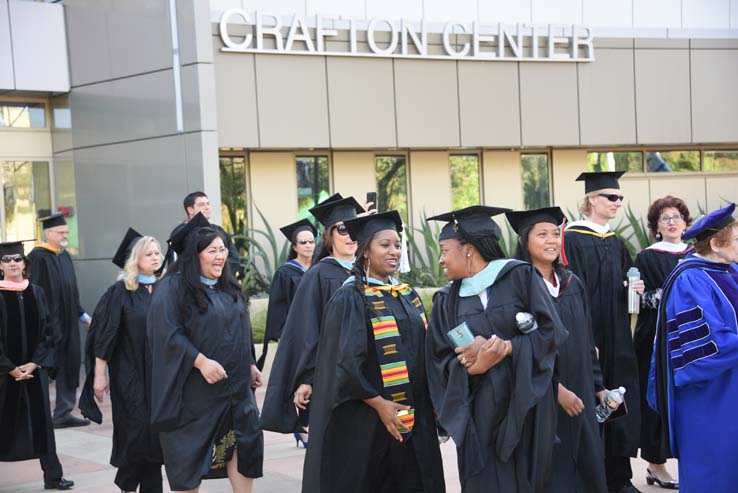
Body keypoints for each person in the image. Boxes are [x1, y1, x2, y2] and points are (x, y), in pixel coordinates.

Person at [425, 206, 567, 492]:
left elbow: (552, 332)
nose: (441, 259)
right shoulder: (446, 301)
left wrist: (507, 348)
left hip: (526, 402)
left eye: (444, 250)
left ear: (468, 249)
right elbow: (437, 359)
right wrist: (473, 366)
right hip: (479, 413)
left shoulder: (519, 276)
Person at [303, 210, 445, 492]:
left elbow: (426, 349)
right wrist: (380, 404)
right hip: (368, 419)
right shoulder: (351, 296)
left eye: (397, 245)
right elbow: (344, 362)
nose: (393, 251)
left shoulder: (407, 294)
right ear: (365, 249)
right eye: (384, 245)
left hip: (416, 417)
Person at [507, 207, 607, 493]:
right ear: (525, 241)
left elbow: (588, 340)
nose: (552, 240)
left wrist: (598, 386)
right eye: (542, 235)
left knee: (588, 465)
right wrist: (556, 389)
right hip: (543, 396)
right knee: (554, 473)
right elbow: (520, 350)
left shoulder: (573, 283)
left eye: (555, 234)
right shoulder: (516, 287)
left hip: (583, 389)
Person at [648, 202, 738, 493]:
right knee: (714, 470)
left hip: (731, 388)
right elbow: (706, 346)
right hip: (710, 397)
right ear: (715, 243)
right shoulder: (690, 278)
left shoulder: (730, 271)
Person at [260, 194, 364, 443]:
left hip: (366, 377)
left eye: (354, 229)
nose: (350, 235)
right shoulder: (318, 276)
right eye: (342, 229)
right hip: (331, 378)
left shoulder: (370, 273)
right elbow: (307, 331)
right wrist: (307, 378)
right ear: (329, 235)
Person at [564, 172, 644, 493]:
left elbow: (626, 284)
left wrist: (634, 287)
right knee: (590, 401)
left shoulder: (615, 241)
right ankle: (591, 478)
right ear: (592, 199)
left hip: (618, 337)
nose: (618, 203)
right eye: (612, 197)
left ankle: (619, 478)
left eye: (620, 198)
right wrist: (584, 340)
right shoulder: (571, 238)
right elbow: (570, 292)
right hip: (590, 336)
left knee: (618, 401)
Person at [79, 229, 164, 493]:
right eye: (148, 253)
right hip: (130, 376)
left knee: (156, 438)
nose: (155, 257)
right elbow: (105, 336)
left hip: (161, 377)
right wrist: (100, 375)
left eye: (158, 253)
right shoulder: (121, 291)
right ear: (136, 259)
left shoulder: (166, 289)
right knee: (136, 433)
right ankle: (127, 484)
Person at [0, 241, 74, 490]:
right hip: (3, 373)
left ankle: (53, 477)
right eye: (7, 260)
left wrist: (34, 363)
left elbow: (49, 332)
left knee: (42, 423)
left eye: (17, 259)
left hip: (33, 372)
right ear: (0, 265)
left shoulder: (37, 292)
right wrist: (9, 367)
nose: (13, 263)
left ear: (24, 263)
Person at [633, 197, 693, 490]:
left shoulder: (697, 254)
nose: (672, 222)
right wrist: (665, 298)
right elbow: (638, 301)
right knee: (657, 396)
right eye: (665, 218)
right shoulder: (646, 257)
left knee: (688, 398)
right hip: (656, 338)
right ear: (656, 227)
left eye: (677, 217)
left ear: (686, 223)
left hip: (690, 337)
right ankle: (656, 464)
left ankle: (689, 459)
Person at [27, 213, 91, 428]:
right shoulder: (37, 257)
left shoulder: (64, 255)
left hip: (69, 323)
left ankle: (63, 413)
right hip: (48, 324)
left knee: (69, 364)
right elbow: (34, 292)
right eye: (61, 232)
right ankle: (40, 417)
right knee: (45, 367)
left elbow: (72, 290)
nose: (65, 236)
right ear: (48, 233)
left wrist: (82, 315)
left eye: (66, 232)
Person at [255, 218, 317, 371]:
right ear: (295, 246)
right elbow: (278, 306)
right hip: (295, 335)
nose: (308, 245)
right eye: (303, 242)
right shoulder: (285, 272)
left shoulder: (321, 269)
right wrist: (281, 337)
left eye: (311, 241)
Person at [168, 191, 240, 275]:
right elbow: (177, 261)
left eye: (208, 204)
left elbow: (234, 259)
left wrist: (217, 273)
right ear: (190, 210)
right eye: (202, 205)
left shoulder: (218, 230)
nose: (207, 207)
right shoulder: (181, 232)